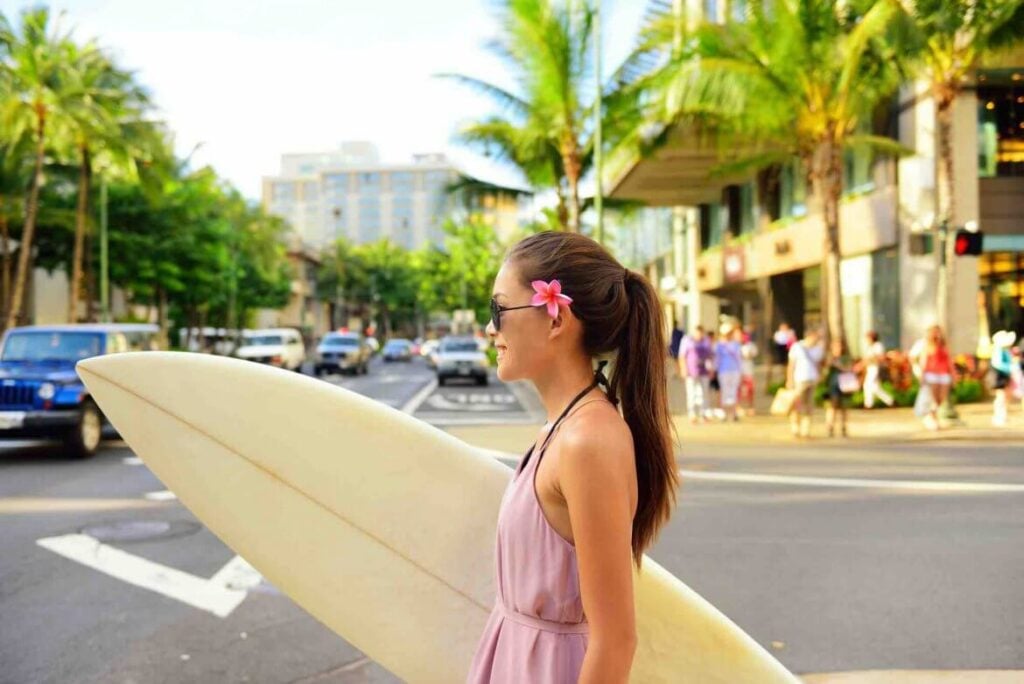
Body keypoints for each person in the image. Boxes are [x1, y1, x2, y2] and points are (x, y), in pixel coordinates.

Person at [468, 230, 679, 683]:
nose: (489, 328)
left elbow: (615, 641)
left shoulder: (587, 441)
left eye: (498, 310)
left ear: (556, 319)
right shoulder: (565, 428)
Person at [786, 328, 823, 438]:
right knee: (797, 404)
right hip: (799, 379)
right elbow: (791, 365)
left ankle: (806, 429)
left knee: (809, 405)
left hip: (812, 379)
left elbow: (818, 364)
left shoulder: (818, 349)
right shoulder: (797, 347)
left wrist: (819, 375)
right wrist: (789, 380)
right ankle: (795, 427)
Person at [915, 325, 953, 431]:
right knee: (933, 398)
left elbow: (949, 360)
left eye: (938, 332)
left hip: (944, 374)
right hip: (932, 375)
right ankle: (932, 417)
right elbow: (924, 361)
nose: (937, 334)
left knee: (941, 398)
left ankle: (933, 415)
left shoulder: (944, 345)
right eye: (935, 332)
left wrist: (953, 374)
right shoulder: (927, 345)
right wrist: (922, 376)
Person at [678, 325, 713, 424]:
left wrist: (711, 369)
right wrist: (683, 369)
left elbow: (710, 356)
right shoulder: (687, 340)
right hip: (691, 371)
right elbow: (682, 356)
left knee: (704, 393)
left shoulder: (706, 341)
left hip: (704, 371)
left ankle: (704, 414)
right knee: (691, 393)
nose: (699, 335)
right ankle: (692, 414)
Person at [824, 338, 855, 437]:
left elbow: (849, 368)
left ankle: (843, 427)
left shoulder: (845, 358)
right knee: (832, 406)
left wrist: (838, 365)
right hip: (833, 385)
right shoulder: (830, 358)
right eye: (835, 347)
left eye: (839, 346)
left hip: (845, 385)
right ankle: (830, 427)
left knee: (844, 407)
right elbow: (825, 371)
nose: (837, 349)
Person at [714, 323, 743, 422]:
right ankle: (725, 413)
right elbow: (717, 359)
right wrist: (715, 370)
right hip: (723, 370)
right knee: (725, 391)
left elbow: (739, 359)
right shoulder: (719, 345)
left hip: (734, 370)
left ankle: (733, 412)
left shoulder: (736, 344)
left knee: (733, 391)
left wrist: (740, 371)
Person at [990, 330, 1017, 427]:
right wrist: (1010, 368)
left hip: (1004, 376)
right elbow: (997, 364)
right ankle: (999, 416)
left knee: (1005, 397)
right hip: (999, 377)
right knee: (1001, 397)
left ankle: (1003, 415)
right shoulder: (998, 350)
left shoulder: (1004, 350)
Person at [862, 331, 894, 409]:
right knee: (874, 387)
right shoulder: (870, 347)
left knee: (868, 385)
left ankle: (869, 404)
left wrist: (870, 359)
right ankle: (889, 401)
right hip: (870, 368)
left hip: (875, 367)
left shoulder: (878, 346)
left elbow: (880, 357)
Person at [738, 326, 758, 416]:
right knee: (739, 391)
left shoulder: (750, 345)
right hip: (738, 371)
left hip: (748, 371)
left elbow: (753, 354)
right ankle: (739, 407)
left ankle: (751, 406)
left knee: (750, 390)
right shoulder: (735, 345)